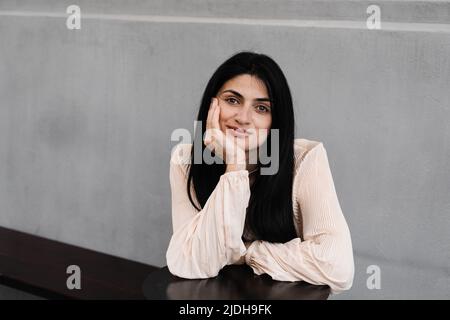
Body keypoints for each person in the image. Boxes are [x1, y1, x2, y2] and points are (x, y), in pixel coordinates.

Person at [166, 51, 354, 293]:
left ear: (275, 119)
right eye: (232, 100)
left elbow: (338, 267)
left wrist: (246, 252)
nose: (243, 118)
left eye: (262, 108)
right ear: (212, 104)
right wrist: (234, 165)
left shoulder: (306, 158)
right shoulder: (186, 160)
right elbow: (190, 262)